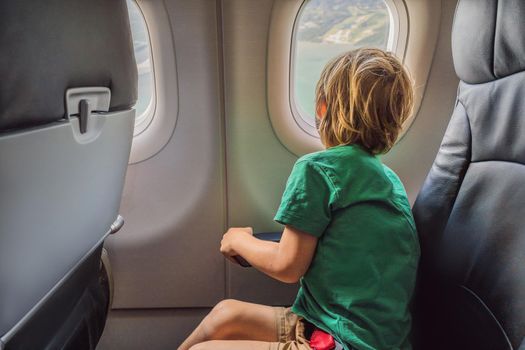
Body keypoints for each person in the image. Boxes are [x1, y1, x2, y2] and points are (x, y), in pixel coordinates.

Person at [178, 48, 420, 350]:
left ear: (322, 108)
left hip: (347, 342)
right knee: (226, 315)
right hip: (326, 324)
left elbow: (288, 266)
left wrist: (237, 239)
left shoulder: (318, 169)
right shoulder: (390, 180)